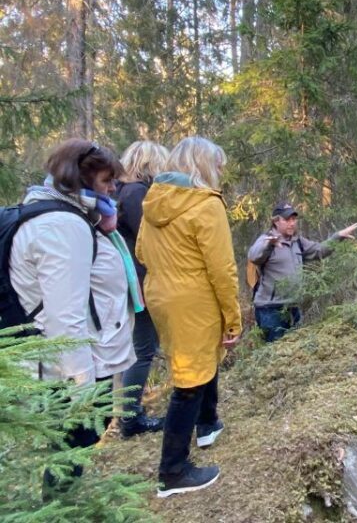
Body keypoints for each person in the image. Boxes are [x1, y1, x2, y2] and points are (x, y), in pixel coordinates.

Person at [9, 138, 138, 486]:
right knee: (73, 447)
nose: (113, 188)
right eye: (105, 182)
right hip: (68, 369)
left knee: (73, 448)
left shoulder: (67, 215)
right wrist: (83, 389)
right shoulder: (63, 226)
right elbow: (64, 316)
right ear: (78, 181)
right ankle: (60, 506)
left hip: (74, 359)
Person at [136, 136, 241, 498]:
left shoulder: (153, 201)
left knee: (199, 362)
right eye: (218, 165)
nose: (221, 172)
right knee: (189, 381)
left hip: (161, 295)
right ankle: (173, 471)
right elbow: (222, 269)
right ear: (203, 165)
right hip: (194, 299)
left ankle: (208, 424)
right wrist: (233, 317)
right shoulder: (206, 204)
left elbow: (141, 252)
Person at [116, 140, 169, 438]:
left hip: (132, 280)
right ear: (150, 164)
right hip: (140, 282)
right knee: (143, 350)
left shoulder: (124, 192)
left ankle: (129, 415)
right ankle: (131, 419)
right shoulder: (137, 193)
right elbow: (149, 240)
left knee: (139, 349)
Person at [247, 202, 357, 342]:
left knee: (294, 353)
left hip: (293, 307)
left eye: (294, 219)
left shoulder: (297, 241)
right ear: (276, 221)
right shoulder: (266, 239)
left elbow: (319, 250)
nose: (292, 223)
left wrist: (338, 236)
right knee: (274, 356)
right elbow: (254, 256)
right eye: (287, 219)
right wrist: (270, 244)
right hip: (270, 310)